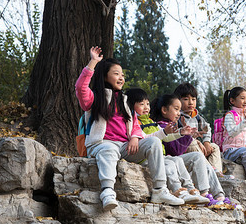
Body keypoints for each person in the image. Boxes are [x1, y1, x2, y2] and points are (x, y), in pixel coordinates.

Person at [75, 46, 186, 210]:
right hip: (101, 144)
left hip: (125, 146)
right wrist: (93, 62)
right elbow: (80, 88)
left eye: (122, 74)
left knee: (154, 142)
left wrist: (134, 137)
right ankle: (107, 191)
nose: (121, 77)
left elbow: (135, 126)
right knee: (109, 149)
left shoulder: (126, 101)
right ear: (105, 76)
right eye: (116, 73)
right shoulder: (95, 97)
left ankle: (159, 190)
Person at [125, 88, 209, 204]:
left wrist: (181, 133)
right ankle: (178, 190)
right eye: (141, 104)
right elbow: (147, 138)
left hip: (161, 155)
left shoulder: (151, 121)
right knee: (170, 163)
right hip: (145, 157)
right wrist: (165, 132)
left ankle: (190, 190)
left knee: (177, 160)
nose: (146, 107)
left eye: (147, 104)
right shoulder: (134, 123)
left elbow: (165, 137)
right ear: (130, 105)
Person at [151, 94, 237, 206]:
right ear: (164, 110)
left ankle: (219, 196)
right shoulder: (162, 126)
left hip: (176, 159)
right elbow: (175, 151)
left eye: (179, 110)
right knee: (197, 157)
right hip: (171, 160)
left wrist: (187, 134)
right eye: (176, 109)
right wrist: (188, 136)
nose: (178, 113)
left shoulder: (174, 125)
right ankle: (204, 194)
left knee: (205, 164)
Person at [173, 83, 227, 178]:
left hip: (199, 148)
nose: (190, 102)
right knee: (192, 143)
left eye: (193, 99)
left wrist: (206, 142)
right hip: (186, 149)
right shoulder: (177, 117)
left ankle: (216, 171)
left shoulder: (197, 117)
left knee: (214, 147)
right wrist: (196, 141)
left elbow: (207, 128)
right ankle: (209, 169)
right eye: (186, 99)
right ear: (177, 101)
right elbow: (178, 135)